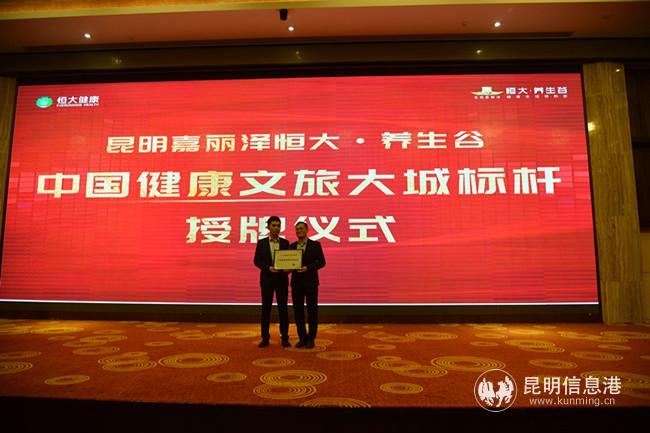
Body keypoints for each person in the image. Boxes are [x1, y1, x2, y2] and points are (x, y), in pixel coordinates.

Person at [253, 216, 290, 348]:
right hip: (267, 280)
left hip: (282, 280)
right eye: (273, 225)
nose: (276, 228)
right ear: (268, 227)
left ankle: (285, 337)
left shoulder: (285, 243)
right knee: (266, 309)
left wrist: (289, 268)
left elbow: (290, 260)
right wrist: (268, 268)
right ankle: (265, 338)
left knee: (283, 309)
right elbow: (257, 261)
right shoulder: (261, 243)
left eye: (278, 226)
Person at [290, 221, 326, 349]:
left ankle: (311, 338)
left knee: (312, 311)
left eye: (301, 228)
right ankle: (302, 338)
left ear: (307, 230)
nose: (299, 231)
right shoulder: (292, 246)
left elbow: (322, 262)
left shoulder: (315, 245)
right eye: (297, 229)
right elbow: (288, 262)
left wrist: (308, 268)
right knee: (298, 311)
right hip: (296, 283)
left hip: (311, 282)